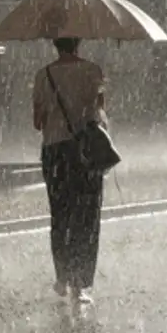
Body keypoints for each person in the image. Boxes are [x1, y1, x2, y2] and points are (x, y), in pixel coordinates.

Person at [33, 36, 107, 305]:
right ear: (79, 42)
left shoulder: (44, 75)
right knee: (86, 217)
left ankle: (62, 277)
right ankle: (81, 285)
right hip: (85, 153)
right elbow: (100, 113)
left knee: (60, 214)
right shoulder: (93, 71)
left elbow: (37, 122)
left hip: (55, 152)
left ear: (55, 44)